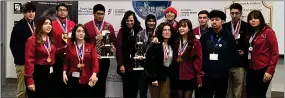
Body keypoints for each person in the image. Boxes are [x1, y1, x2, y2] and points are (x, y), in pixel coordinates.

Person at [199, 10, 238, 98]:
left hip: (222, 74)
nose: (214, 22)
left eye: (217, 19)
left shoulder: (229, 36)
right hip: (207, 74)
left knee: (220, 95)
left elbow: (233, 54)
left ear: (222, 21)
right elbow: (200, 53)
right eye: (212, 20)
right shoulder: (205, 36)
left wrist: (226, 65)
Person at [24, 17, 65, 97]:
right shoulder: (32, 40)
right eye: (45, 23)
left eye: (50, 24)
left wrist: (65, 48)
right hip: (38, 73)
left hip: (51, 72)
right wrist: (30, 80)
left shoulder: (50, 39)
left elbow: (53, 52)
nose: (49, 26)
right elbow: (29, 61)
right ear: (40, 25)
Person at [84, 4, 116, 97]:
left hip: (104, 59)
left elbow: (113, 40)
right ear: (93, 14)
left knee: (102, 82)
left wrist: (113, 47)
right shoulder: (87, 26)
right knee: (90, 82)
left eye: (102, 14)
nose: (100, 16)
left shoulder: (108, 26)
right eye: (98, 13)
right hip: (90, 59)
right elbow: (83, 42)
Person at [246, 10, 279, 98]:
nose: (253, 21)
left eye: (255, 18)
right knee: (249, 94)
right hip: (251, 68)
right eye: (250, 19)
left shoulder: (268, 32)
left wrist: (269, 71)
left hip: (264, 69)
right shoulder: (251, 32)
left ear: (261, 19)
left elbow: (275, 52)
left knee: (259, 94)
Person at [63, 24, 99, 97]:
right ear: (74, 33)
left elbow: (95, 61)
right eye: (78, 31)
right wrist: (64, 73)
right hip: (73, 77)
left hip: (88, 77)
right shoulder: (69, 46)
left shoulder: (91, 46)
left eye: (83, 31)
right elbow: (66, 61)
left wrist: (94, 74)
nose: (81, 33)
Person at [9, 2, 36, 98]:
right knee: (22, 90)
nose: (31, 14)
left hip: (34, 63)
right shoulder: (18, 27)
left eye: (33, 11)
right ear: (24, 13)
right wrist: (22, 61)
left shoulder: (35, 26)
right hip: (23, 63)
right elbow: (13, 46)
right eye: (28, 12)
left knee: (32, 88)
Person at [115, 10, 143, 97]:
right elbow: (118, 48)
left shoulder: (140, 30)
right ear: (124, 21)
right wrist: (120, 64)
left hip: (137, 65)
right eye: (127, 20)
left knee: (135, 90)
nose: (129, 22)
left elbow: (143, 47)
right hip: (126, 65)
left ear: (134, 20)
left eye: (131, 20)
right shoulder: (121, 31)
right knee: (126, 90)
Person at [223, 3, 248, 98]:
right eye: (232, 13)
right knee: (226, 91)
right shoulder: (225, 26)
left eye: (236, 13)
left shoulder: (246, 26)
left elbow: (250, 43)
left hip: (240, 64)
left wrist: (244, 51)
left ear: (241, 13)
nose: (234, 15)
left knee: (237, 92)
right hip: (226, 63)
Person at [145, 22, 176, 98]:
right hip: (155, 77)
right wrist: (153, 78)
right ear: (161, 32)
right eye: (164, 30)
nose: (167, 32)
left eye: (169, 30)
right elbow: (150, 63)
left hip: (166, 77)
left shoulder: (171, 45)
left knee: (165, 96)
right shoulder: (155, 44)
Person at [51, 3, 76, 96]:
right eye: (60, 10)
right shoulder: (52, 24)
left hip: (70, 57)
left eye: (64, 10)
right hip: (57, 57)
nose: (62, 12)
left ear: (67, 12)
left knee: (69, 81)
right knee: (58, 80)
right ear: (57, 12)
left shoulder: (72, 24)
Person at [175, 19, 204, 98]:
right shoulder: (176, 41)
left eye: (184, 26)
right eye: (180, 26)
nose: (181, 28)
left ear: (189, 28)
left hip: (190, 74)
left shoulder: (195, 42)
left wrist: (198, 74)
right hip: (177, 74)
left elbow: (199, 59)